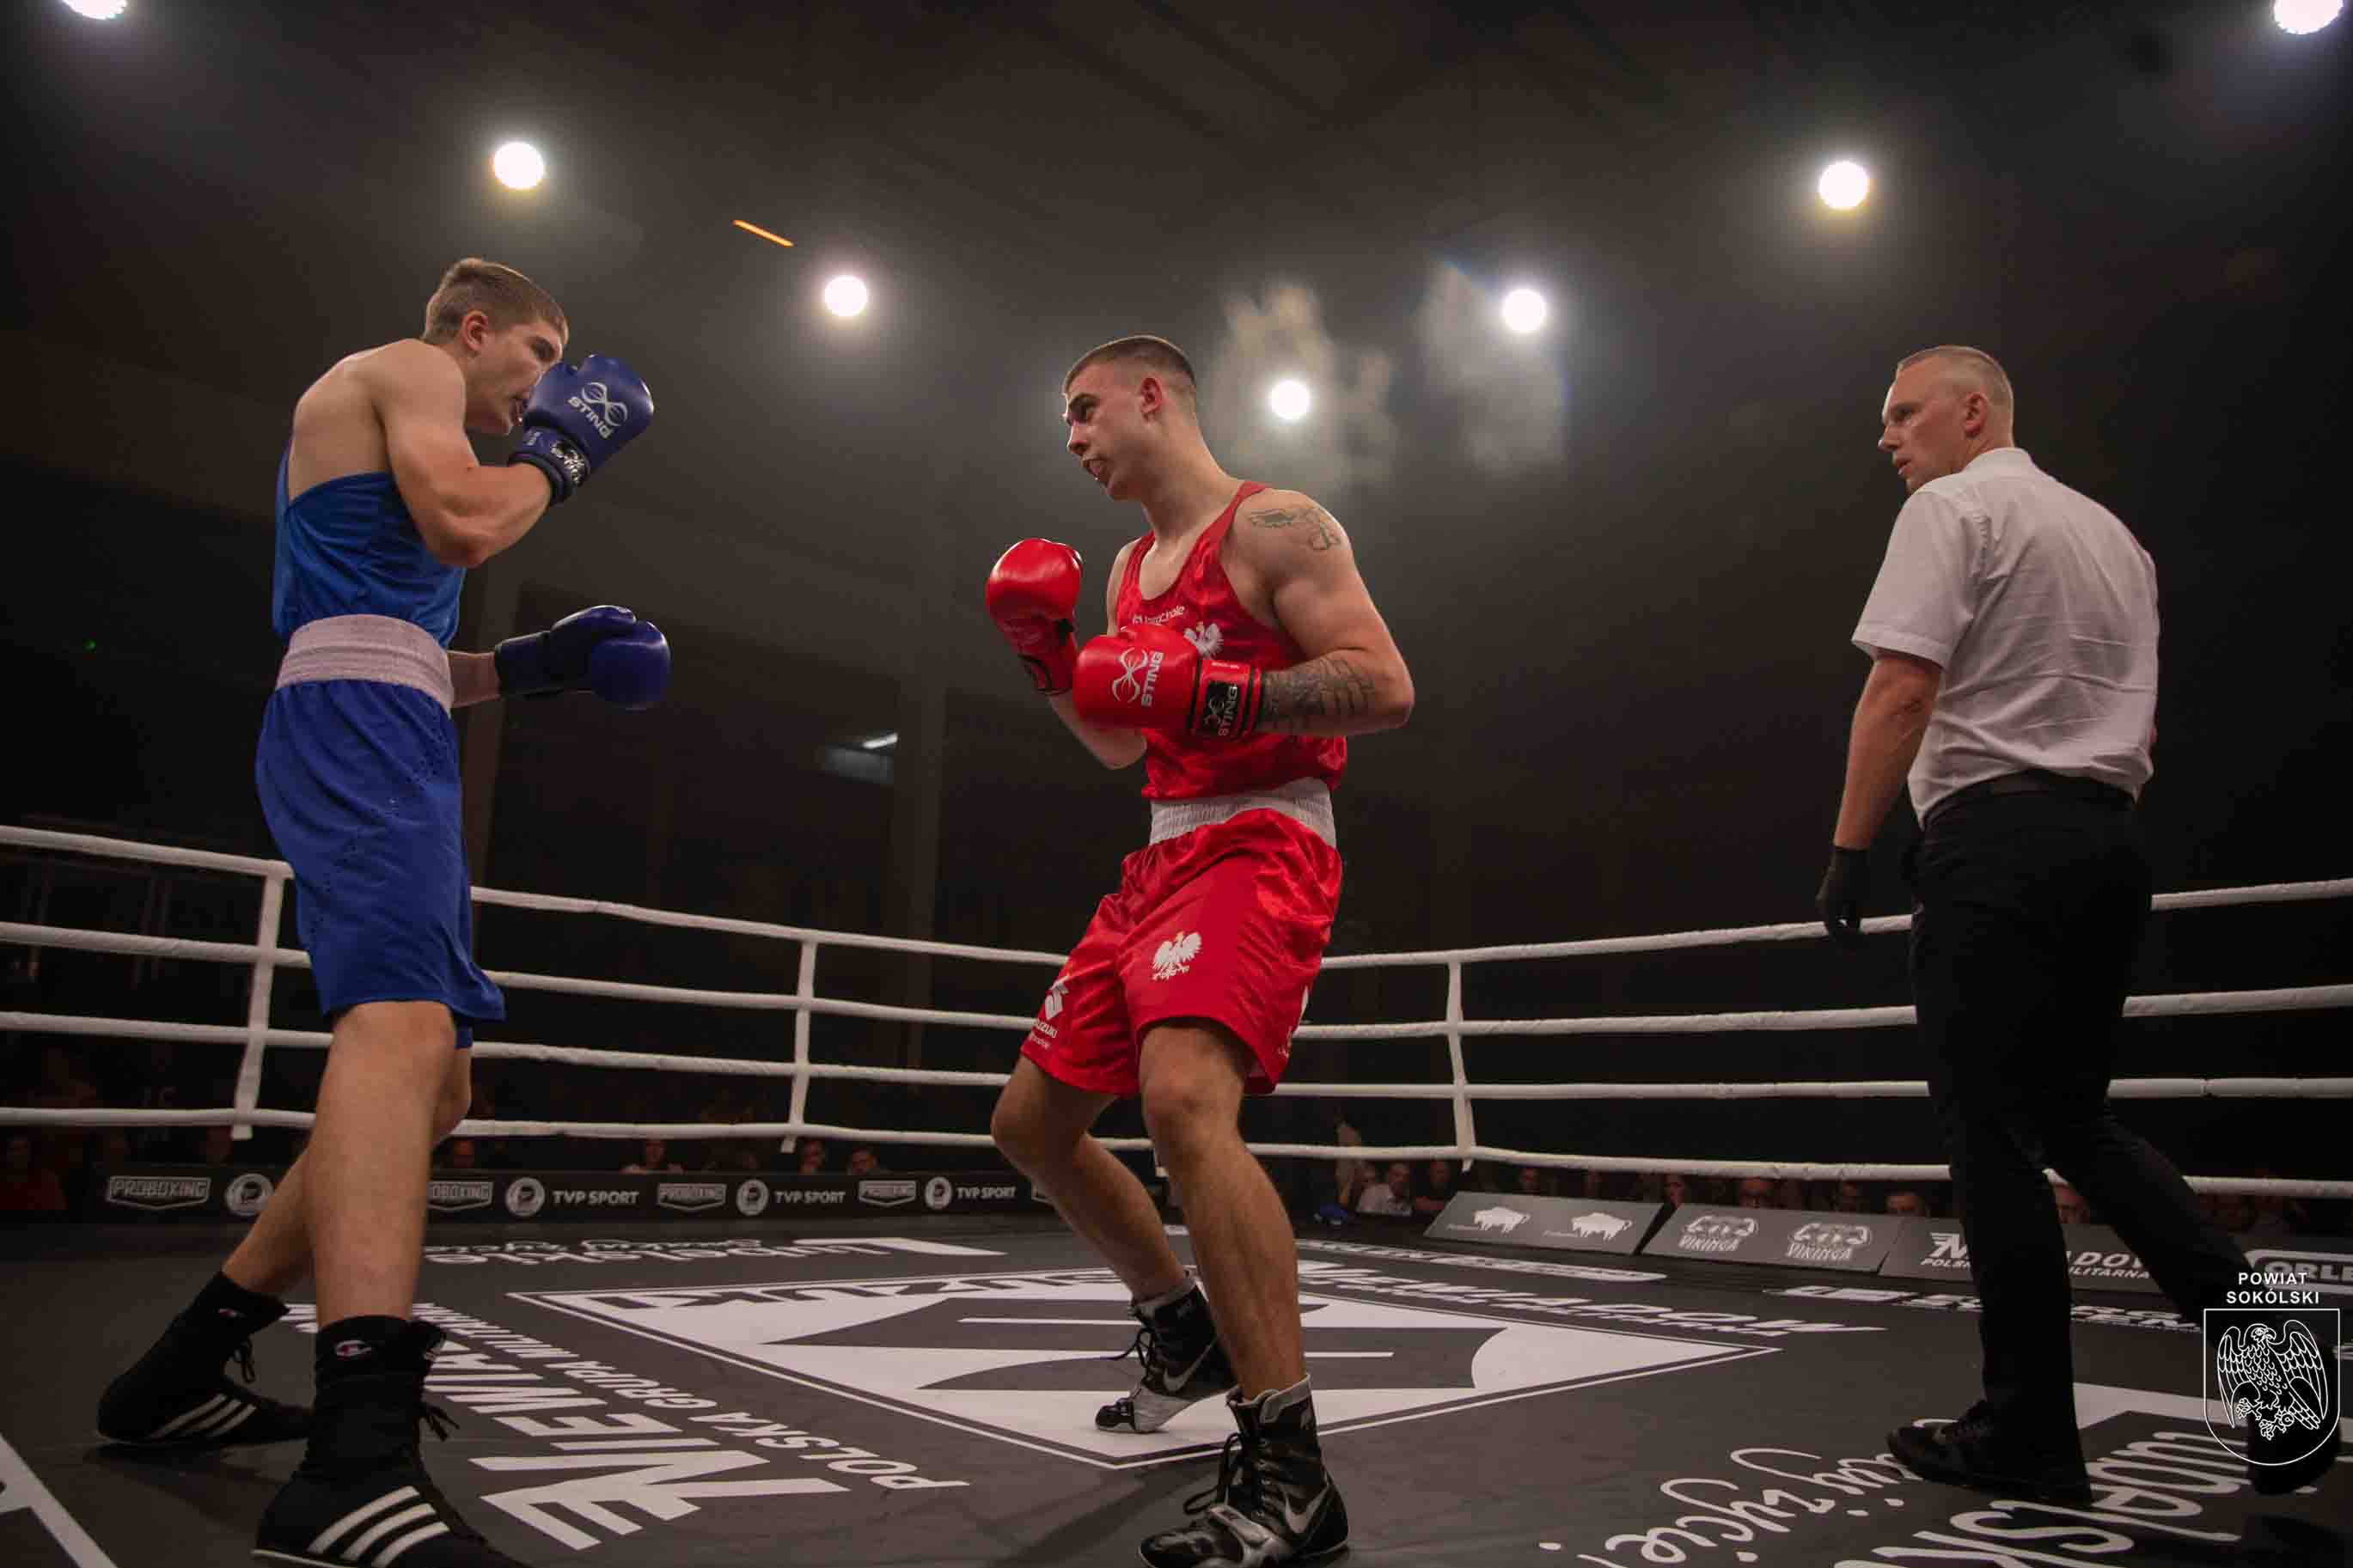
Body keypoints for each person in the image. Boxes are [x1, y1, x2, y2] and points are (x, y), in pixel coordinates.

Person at [95, 259, 664, 1565]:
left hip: (388, 719)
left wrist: (539, 664)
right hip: (353, 726)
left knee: (436, 1087)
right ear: (475, 329)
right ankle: (353, 1461)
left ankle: (186, 1365)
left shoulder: (401, 430)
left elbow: (403, 639)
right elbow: (466, 522)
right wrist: (565, 456)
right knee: (397, 1034)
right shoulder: (407, 368)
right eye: (539, 353)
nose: (545, 386)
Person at [1817, 345, 2332, 1502]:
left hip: (1997, 841)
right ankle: (2279, 1359)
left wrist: (1848, 848)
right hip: (2105, 842)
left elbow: (1901, 687)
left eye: (1902, 414)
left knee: (1990, 1133)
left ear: (1972, 411)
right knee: (2074, 1120)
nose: (1886, 437)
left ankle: (2028, 1430)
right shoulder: (2112, 536)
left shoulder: (1952, 509)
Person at [985, 334, 1412, 1565]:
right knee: (1029, 1126)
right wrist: (1049, 659)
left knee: (1181, 1101)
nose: (1073, 438)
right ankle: (1180, 1325)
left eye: (1084, 410)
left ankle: (1290, 1470)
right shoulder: (1128, 570)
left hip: (1264, 835)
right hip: (1161, 853)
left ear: (1151, 396)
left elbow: (1384, 685)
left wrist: (1228, 692)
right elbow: (1122, 742)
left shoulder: (1275, 523)